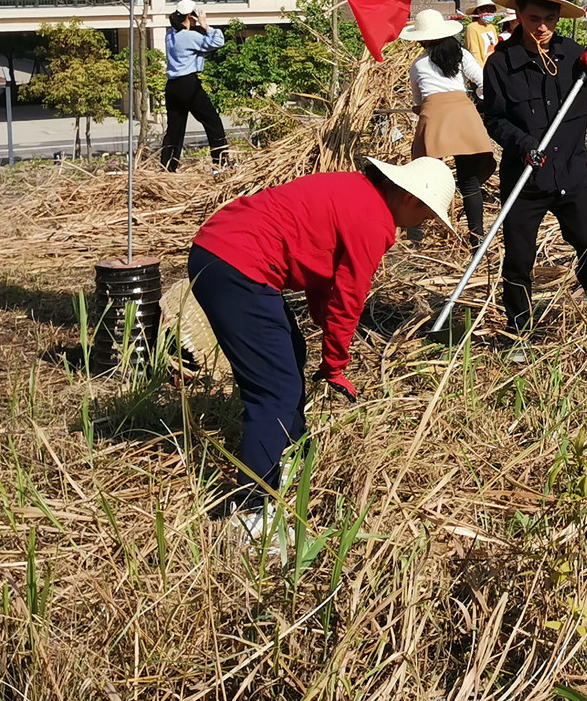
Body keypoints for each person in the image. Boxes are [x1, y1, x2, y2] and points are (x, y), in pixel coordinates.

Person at [188, 157, 455, 548]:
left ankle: (292, 455)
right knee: (274, 391)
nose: (425, 225)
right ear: (409, 199)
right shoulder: (374, 220)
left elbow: (319, 270)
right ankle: (251, 515)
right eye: (428, 216)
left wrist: (323, 329)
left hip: (219, 250)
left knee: (289, 353)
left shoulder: (352, 190)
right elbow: (349, 297)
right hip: (240, 266)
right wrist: (335, 364)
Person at [482, 0, 587, 338]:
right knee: (518, 261)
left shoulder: (574, 56)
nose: (542, 27)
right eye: (533, 19)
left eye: (550, 19)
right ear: (519, 15)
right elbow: (493, 119)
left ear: (559, 17)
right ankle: (518, 328)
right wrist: (524, 144)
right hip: (525, 179)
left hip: (570, 174)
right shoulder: (500, 65)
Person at [399, 7, 496, 239]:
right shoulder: (461, 55)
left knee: (423, 178)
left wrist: (420, 108)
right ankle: (477, 238)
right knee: (470, 183)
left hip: (434, 118)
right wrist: (480, 98)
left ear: (421, 40)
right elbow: (483, 80)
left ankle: (415, 234)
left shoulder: (418, 65)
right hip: (464, 116)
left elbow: (418, 101)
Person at [161, 0, 229, 171]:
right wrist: (205, 25)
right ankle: (220, 163)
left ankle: (167, 167)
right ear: (191, 16)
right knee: (212, 121)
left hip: (172, 86)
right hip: (188, 85)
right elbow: (217, 42)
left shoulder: (170, 34)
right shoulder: (189, 36)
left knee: (174, 130)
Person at [464, 0, 500, 68]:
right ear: (479, 11)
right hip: (482, 68)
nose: (489, 13)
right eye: (486, 10)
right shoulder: (472, 27)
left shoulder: (491, 27)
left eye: (491, 11)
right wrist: (483, 70)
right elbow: (474, 52)